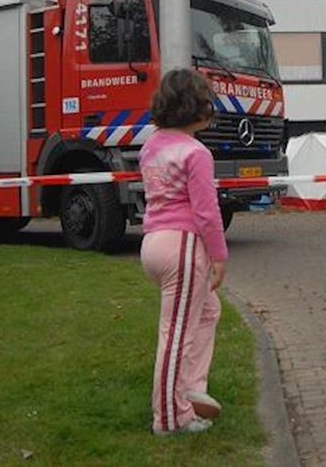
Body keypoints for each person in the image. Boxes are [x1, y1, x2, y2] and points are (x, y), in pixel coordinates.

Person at [139, 68, 228, 436]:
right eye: (206, 102)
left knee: (208, 310)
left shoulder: (151, 145)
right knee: (175, 334)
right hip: (184, 246)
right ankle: (171, 418)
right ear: (194, 107)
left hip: (154, 243)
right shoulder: (196, 153)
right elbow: (207, 212)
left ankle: (192, 389)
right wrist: (219, 255)